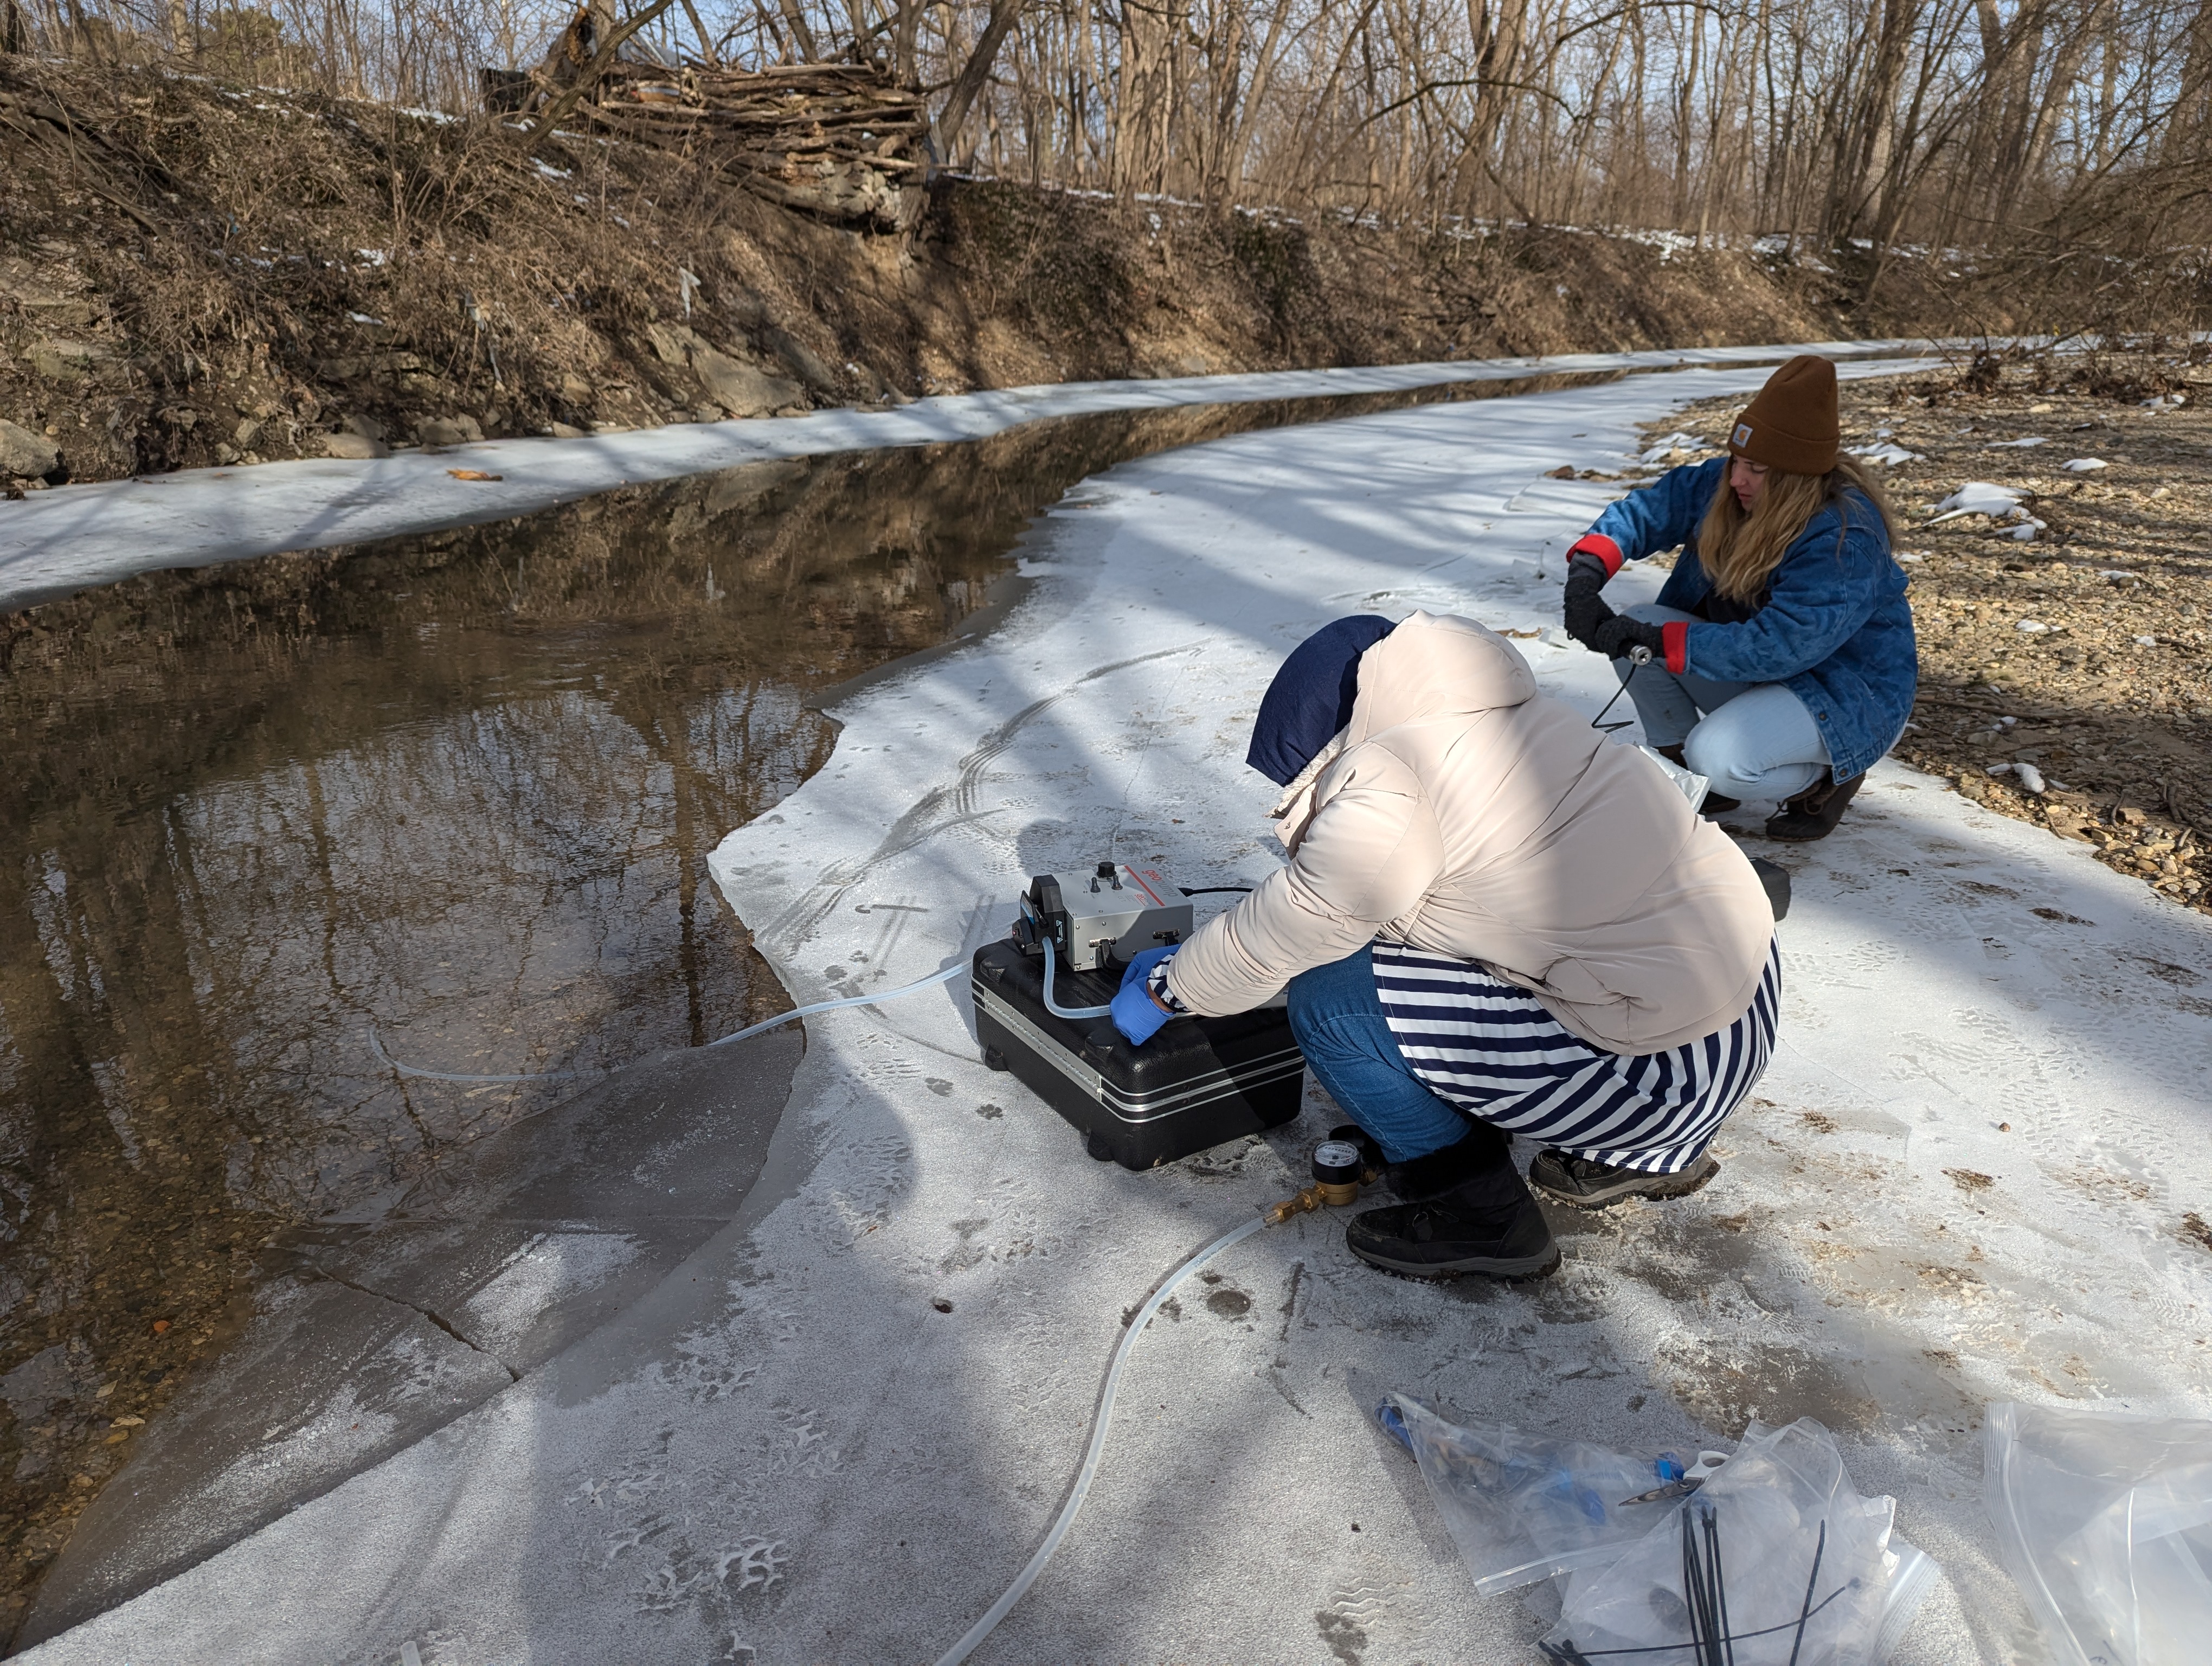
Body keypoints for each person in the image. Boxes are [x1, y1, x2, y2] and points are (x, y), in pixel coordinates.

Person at [1107, 612, 1780, 1281]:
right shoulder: (1511, 718)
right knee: (1437, 941)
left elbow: (1303, 920)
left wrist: (1175, 985)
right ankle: (1647, 1153)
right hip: (1737, 1016)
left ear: (1327, 748)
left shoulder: (1391, 781)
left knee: (1330, 1001)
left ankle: (1481, 1213)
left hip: (1654, 1075)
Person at [1560, 354, 1918, 840]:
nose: (1736, 479)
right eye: (1736, 460)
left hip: (1843, 693)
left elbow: (1781, 647)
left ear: (1796, 477)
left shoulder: (1844, 538)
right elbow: (1647, 511)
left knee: (1720, 754)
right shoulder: (1727, 486)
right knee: (1637, 629)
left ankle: (1825, 778)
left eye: (1756, 468)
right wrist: (1585, 576)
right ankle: (1694, 776)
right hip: (1766, 672)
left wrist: (1660, 641)